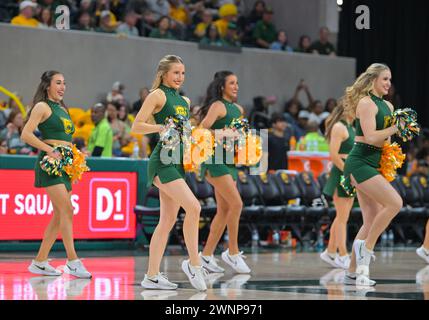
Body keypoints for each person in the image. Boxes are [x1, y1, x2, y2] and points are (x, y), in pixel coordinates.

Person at [131, 55, 206, 291]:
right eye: (176, 73)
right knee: (194, 208)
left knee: (166, 222)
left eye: (183, 73)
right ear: (164, 73)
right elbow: (136, 126)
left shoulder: (184, 100)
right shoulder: (158, 95)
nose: (180, 77)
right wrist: (160, 127)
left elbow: (185, 133)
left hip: (177, 162)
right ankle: (194, 263)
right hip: (162, 161)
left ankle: (151, 276)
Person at [20, 70, 91, 279]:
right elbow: (26, 134)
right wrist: (50, 150)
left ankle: (40, 262)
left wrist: (75, 152)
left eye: (64, 83)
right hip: (50, 163)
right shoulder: (42, 106)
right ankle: (73, 261)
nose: (62, 87)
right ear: (47, 86)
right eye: (58, 83)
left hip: (65, 163)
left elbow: (64, 138)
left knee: (61, 213)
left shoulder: (61, 108)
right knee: (67, 209)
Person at [342, 63, 402, 286]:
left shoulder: (387, 104)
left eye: (389, 79)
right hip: (359, 162)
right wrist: (396, 128)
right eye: (384, 79)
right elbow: (370, 137)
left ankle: (352, 272)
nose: (388, 83)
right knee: (395, 203)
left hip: (374, 162)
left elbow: (384, 140)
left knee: (370, 220)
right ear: (373, 80)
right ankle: (366, 249)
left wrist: (403, 131)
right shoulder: (366, 103)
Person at [197, 70, 251, 274]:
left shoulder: (238, 109)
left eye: (237, 83)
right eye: (232, 83)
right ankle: (232, 252)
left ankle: (206, 256)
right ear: (222, 87)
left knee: (225, 210)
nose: (236, 86)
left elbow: (237, 135)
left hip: (230, 161)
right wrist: (222, 133)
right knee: (237, 204)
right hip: (213, 159)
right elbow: (202, 130)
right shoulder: (217, 106)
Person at [320, 104, 356, 269]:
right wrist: (348, 172)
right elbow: (334, 155)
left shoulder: (352, 127)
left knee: (343, 216)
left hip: (349, 174)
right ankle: (342, 255)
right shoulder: (339, 127)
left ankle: (330, 252)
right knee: (342, 217)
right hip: (341, 174)